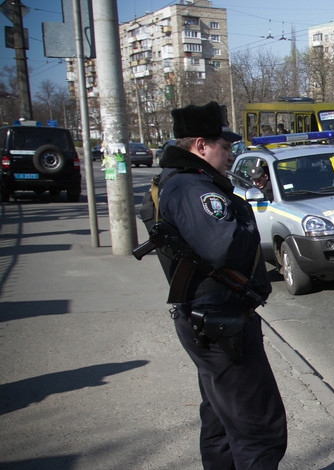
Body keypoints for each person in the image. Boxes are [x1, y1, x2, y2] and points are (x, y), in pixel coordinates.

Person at [139, 101, 287, 469]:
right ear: (201, 146)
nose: (230, 154)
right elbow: (224, 246)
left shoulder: (177, 182)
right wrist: (245, 215)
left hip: (209, 319)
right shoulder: (192, 187)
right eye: (225, 147)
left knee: (221, 422)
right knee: (259, 429)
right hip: (220, 323)